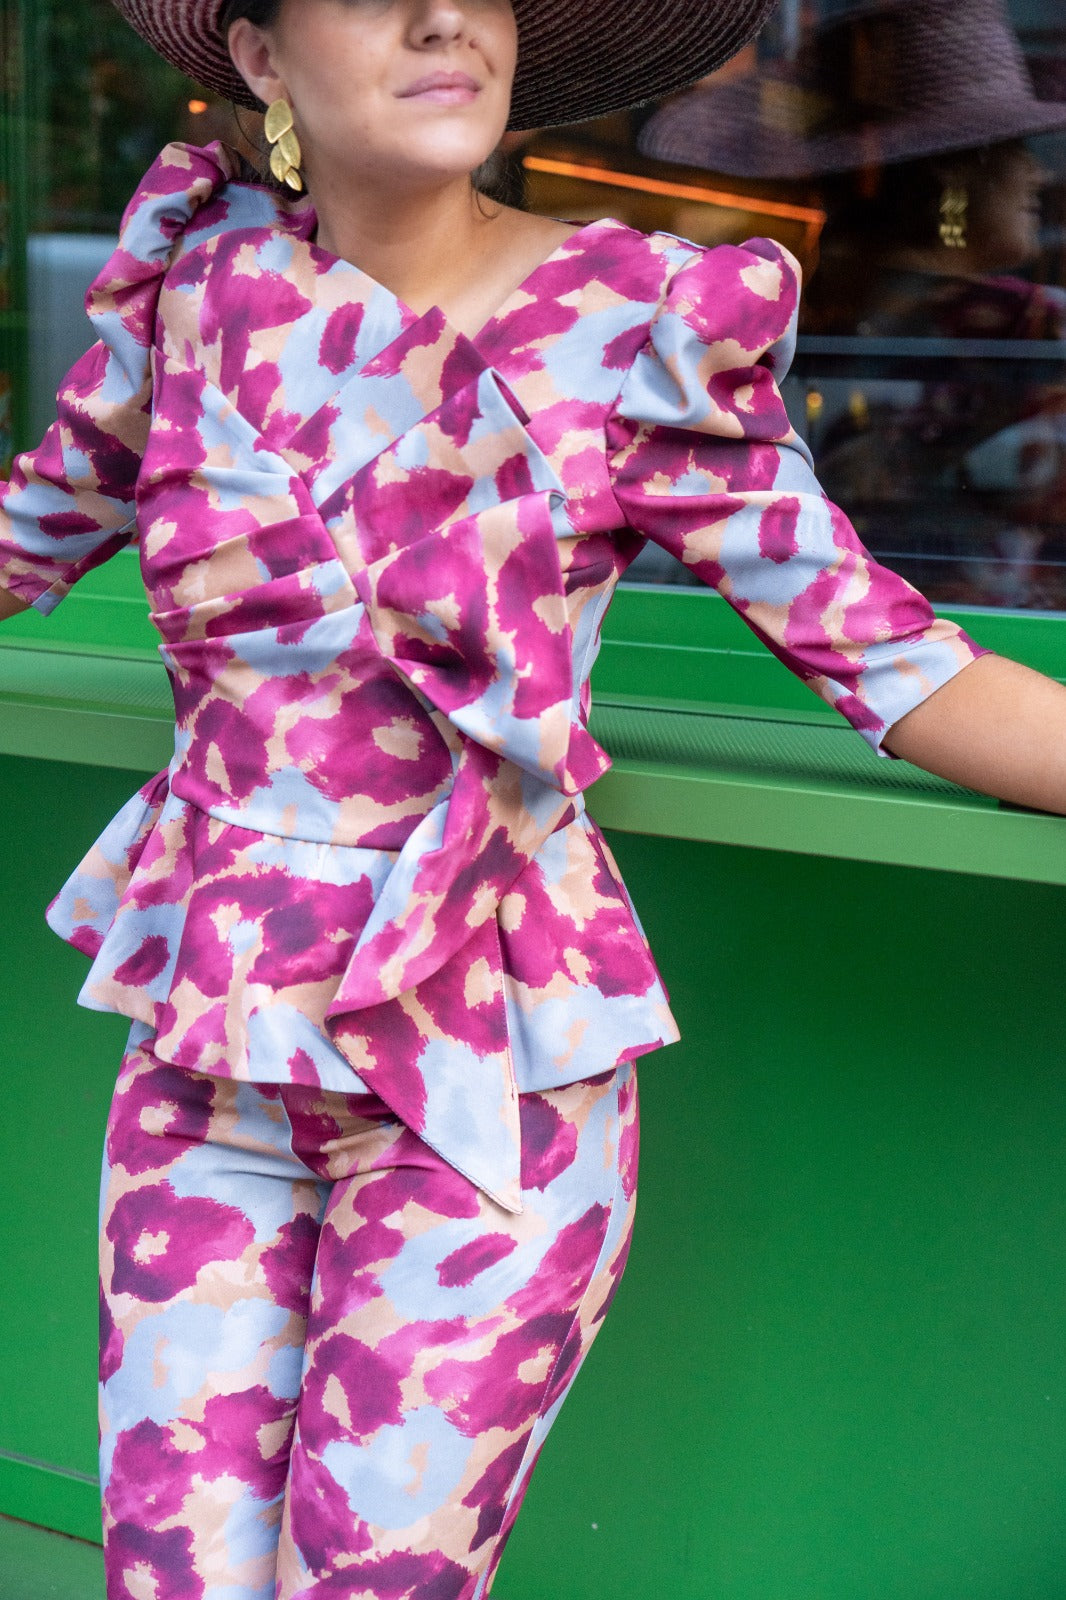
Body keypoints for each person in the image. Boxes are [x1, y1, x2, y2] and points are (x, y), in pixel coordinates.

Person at [2, 2, 1066, 1598]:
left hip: (482, 1074)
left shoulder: (638, 322)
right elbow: (28, 537)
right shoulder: (193, 288)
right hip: (207, 1059)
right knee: (165, 1579)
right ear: (261, 56)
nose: (445, 14)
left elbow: (898, 666)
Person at [639, 0, 1066, 607]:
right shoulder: (1034, 329)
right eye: (1013, 147)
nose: (1037, 174)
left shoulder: (770, 313)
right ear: (953, 172)